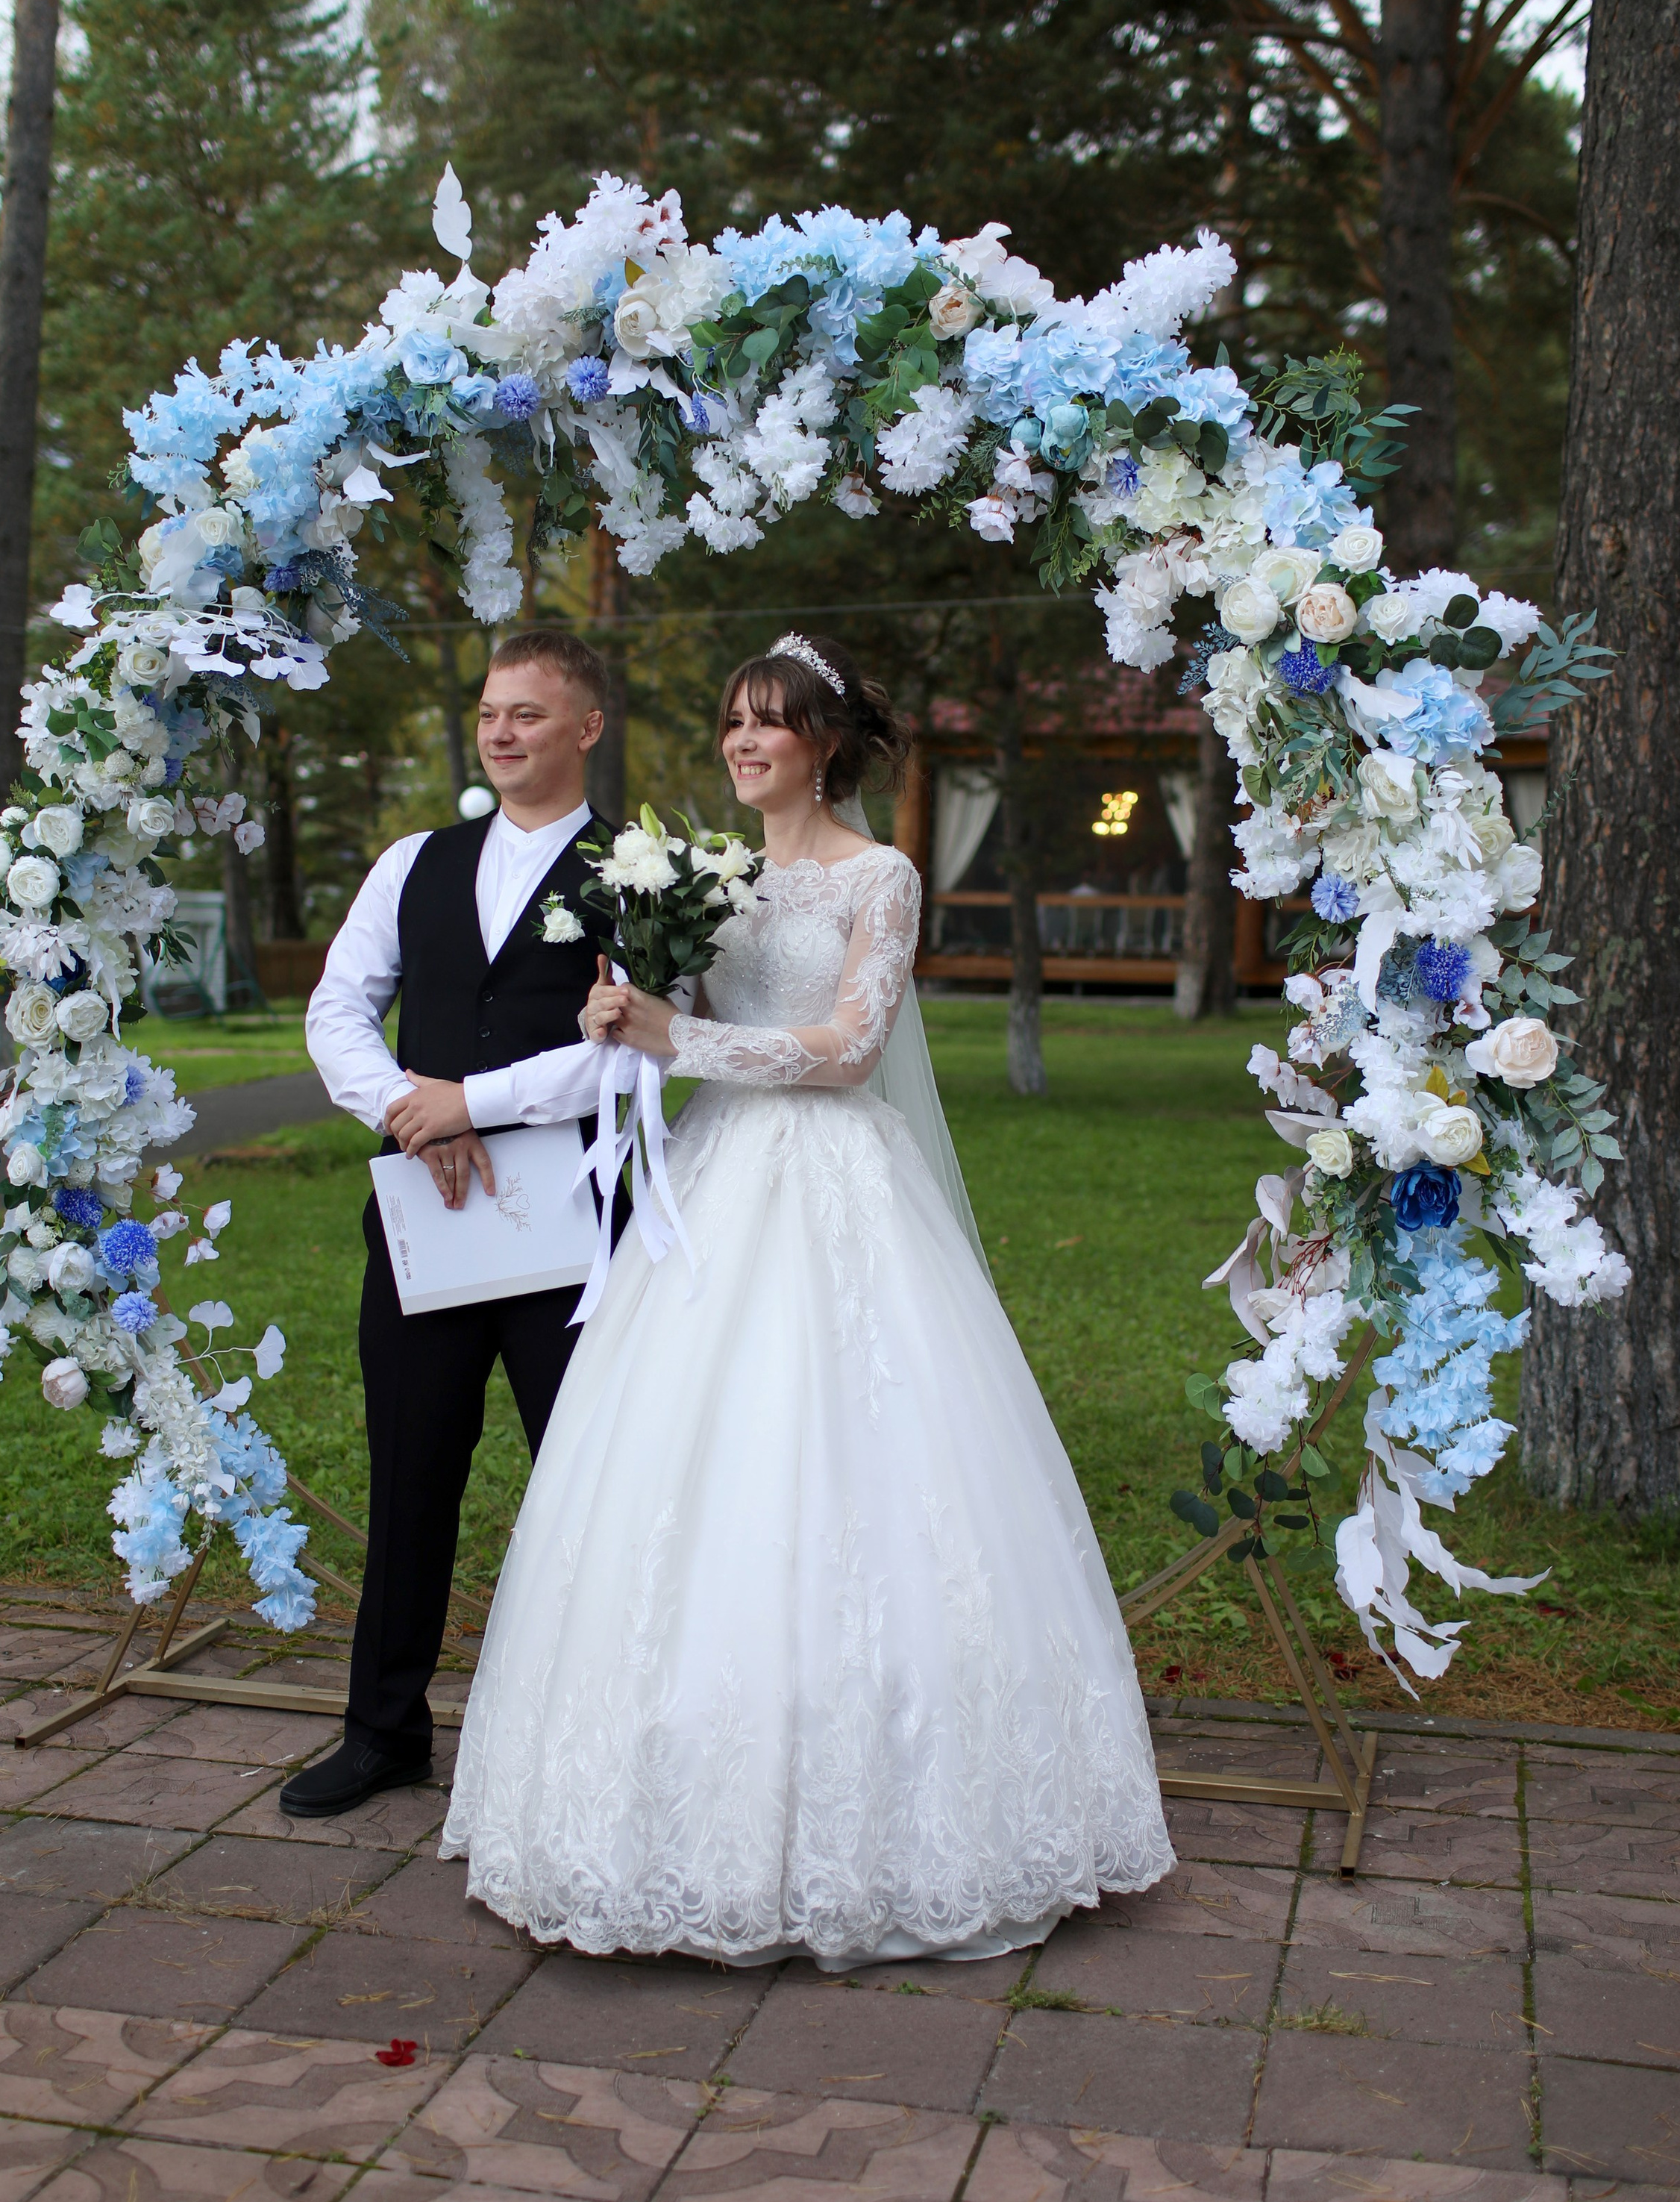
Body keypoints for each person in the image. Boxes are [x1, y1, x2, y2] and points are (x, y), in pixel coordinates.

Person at [442, 631, 1173, 1967]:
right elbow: (677, 1012)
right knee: (685, 1472)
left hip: (837, 1185)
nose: (743, 740)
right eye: (732, 719)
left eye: (770, 723)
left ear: (823, 745)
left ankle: (901, 1805)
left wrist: (685, 1036)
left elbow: (848, 1050)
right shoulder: (709, 874)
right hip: (717, 1183)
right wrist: (634, 1005)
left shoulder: (880, 875)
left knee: (862, 1468)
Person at [283, 631, 615, 1819]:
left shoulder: (642, 872)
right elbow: (338, 1009)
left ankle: (593, 1736)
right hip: (427, 1216)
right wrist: (408, 1111)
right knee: (410, 1474)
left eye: (530, 712)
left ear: (586, 728)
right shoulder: (413, 861)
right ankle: (384, 1731)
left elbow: (627, 1055)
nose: (502, 730)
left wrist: (473, 1100)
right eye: (490, 710)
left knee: (589, 1482)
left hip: (571, 1230)